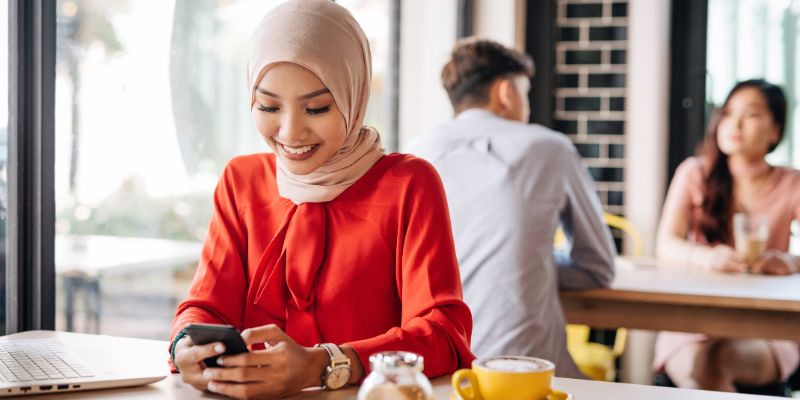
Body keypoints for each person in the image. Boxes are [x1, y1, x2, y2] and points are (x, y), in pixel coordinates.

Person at [168, 1, 475, 398]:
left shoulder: (408, 185)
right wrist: (185, 345)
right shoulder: (241, 181)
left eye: (316, 108)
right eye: (268, 106)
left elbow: (444, 334)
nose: (290, 132)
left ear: (353, 95)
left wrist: (324, 364)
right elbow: (205, 306)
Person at [406, 38, 616, 379]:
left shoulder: (416, 151)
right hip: (527, 371)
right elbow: (599, 267)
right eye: (525, 94)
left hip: (436, 366)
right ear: (505, 92)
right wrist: (528, 263)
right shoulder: (549, 148)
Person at [653, 79, 800, 393]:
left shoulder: (791, 183)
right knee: (703, 369)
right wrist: (708, 257)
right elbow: (666, 243)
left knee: (712, 364)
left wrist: (790, 262)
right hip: (692, 322)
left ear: (775, 131)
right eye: (729, 112)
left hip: (766, 325)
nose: (735, 123)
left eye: (751, 114)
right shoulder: (695, 172)